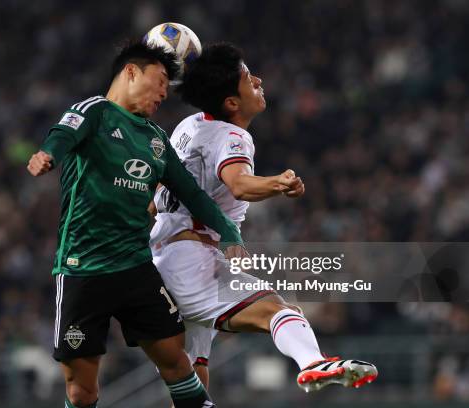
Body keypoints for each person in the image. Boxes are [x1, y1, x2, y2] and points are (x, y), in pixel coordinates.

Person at [27, 41, 247, 408]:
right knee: (82, 392)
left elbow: (192, 195)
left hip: (135, 268)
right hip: (83, 269)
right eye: (160, 80)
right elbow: (63, 135)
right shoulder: (95, 111)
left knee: (176, 361)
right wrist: (48, 154)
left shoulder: (156, 140)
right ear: (131, 71)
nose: (165, 92)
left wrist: (229, 231)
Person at [150, 43, 378, 394]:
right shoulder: (233, 135)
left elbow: (155, 200)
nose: (257, 79)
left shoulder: (188, 126)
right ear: (231, 103)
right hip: (192, 260)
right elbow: (239, 183)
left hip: (166, 253)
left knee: (192, 377)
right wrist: (278, 183)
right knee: (276, 309)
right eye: (247, 77)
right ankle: (313, 363)